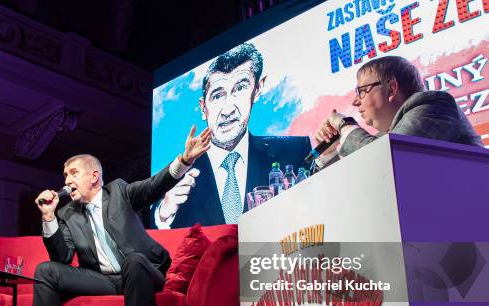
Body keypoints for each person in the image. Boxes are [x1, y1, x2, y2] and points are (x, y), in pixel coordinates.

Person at [15, 126, 212, 306]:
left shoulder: (118, 192)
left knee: (133, 260)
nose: (66, 180)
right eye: (64, 175)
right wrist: (49, 216)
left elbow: (155, 185)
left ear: (94, 176)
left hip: (143, 273)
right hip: (102, 280)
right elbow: (62, 257)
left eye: (73, 173)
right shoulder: (67, 213)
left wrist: (185, 160)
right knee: (46, 271)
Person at [152, 43, 311, 229]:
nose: (228, 110)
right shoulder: (173, 177)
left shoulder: (295, 151)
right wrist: (162, 215)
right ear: (203, 108)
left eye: (240, 89)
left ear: (257, 90)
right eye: (218, 96)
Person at [313, 56, 483, 166]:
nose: (355, 101)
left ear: (392, 89)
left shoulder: (435, 106)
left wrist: (345, 125)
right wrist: (329, 154)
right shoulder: (384, 138)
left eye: (361, 91)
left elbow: (385, 159)